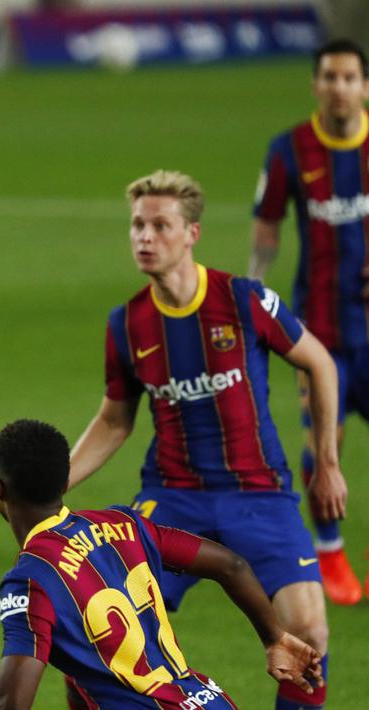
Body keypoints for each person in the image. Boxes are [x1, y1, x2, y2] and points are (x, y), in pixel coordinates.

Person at [70, 170, 344, 709]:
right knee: (95, 636)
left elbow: (319, 362)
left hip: (260, 495)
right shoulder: (127, 324)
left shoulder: (243, 301)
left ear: (192, 233)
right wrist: (54, 482)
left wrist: (328, 463)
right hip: (172, 498)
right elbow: (114, 420)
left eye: (160, 226)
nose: (145, 237)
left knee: (309, 633)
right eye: (137, 226)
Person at [0, 419, 324, 709]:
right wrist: (274, 636)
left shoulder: (31, 578)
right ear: (63, 482)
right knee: (80, 681)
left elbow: (12, 701)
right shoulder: (123, 524)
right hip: (209, 701)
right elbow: (232, 565)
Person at [249, 37, 369, 606]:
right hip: (317, 330)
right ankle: (331, 550)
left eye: (349, 77)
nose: (339, 87)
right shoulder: (290, 150)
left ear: (364, 86)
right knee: (325, 440)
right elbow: (267, 226)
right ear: (316, 85)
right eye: (329, 77)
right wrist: (253, 290)